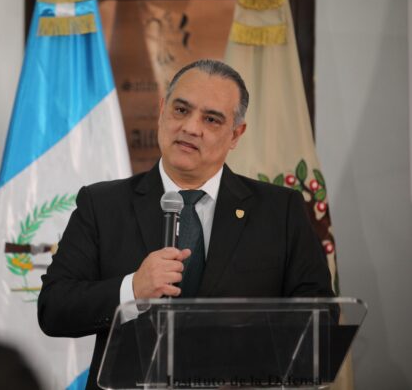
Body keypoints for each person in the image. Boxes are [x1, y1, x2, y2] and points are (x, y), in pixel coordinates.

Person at [37, 59, 333, 389]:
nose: (191, 127)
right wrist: (133, 288)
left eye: (211, 119)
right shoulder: (102, 205)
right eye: (181, 110)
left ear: (236, 134)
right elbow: (54, 308)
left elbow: (321, 318)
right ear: (162, 110)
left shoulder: (280, 210)